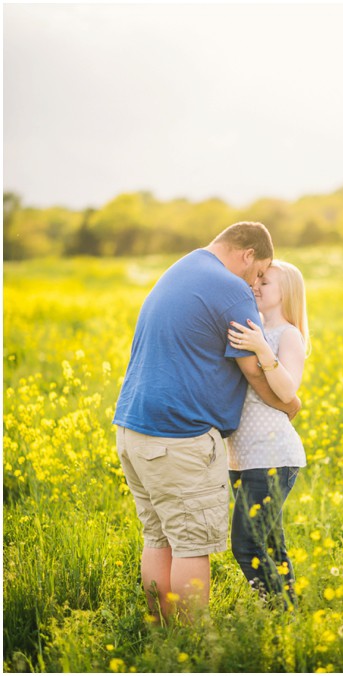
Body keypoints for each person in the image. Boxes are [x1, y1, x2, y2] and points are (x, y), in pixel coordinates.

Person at [114, 222, 302, 621]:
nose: (254, 283)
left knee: (158, 537)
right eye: (258, 271)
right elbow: (254, 372)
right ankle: (189, 643)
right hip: (177, 438)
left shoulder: (182, 267)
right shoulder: (230, 286)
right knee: (191, 545)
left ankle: (161, 632)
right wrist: (288, 406)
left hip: (133, 430)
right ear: (248, 254)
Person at [225, 259, 310, 605]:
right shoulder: (253, 329)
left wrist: (262, 349)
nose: (256, 285)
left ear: (286, 292)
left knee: (246, 546)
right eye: (256, 279)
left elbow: (288, 391)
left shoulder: (287, 334)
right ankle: (290, 624)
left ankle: (280, 615)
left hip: (273, 455)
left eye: (267, 282)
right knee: (271, 546)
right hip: (243, 458)